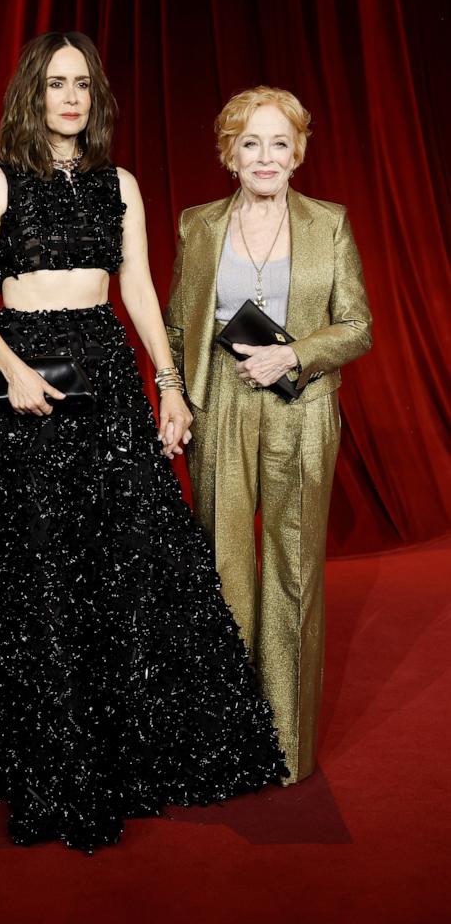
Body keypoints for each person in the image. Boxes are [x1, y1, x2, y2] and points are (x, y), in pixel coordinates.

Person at [0, 35, 288, 852]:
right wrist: (14, 370)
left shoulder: (120, 184)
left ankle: (115, 743)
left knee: (118, 559)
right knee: (13, 562)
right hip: (19, 375)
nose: (70, 97)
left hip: (102, 375)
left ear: (95, 98)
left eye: (82, 86)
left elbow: (136, 286)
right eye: (55, 85)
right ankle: (20, 742)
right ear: (31, 97)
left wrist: (168, 385)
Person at [164, 86, 372, 784]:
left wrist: (295, 353)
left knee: (292, 571)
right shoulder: (197, 226)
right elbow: (176, 325)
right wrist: (174, 400)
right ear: (229, 153)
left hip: (301, 408)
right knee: (220, 568)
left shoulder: (329, 223)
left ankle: (283, 747)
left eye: (277, 142)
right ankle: (225, 739)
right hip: (219, 403)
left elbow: (356, 326)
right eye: (248, 142)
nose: (264, 156)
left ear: (297, 152)